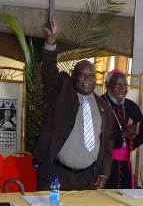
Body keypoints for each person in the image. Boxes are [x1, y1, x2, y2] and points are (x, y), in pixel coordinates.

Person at [33, 21, 114, 191]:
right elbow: (49, 71)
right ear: (72, 76)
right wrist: (50, 43)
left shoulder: (103, 107)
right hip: (56, 175)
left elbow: (107, 144)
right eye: (82, 75)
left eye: (91, 75)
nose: (87, 78)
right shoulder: (61, 92)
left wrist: (103, 173)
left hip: (87, 179)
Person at [101, 69, 143, 189]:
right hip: (103, 166)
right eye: (118, 84)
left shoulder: (131, 106)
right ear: (107, 86)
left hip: (125, 164)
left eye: (125, 85)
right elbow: (96, 137)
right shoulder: (99, 104)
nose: (123, 88)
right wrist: (122, 135)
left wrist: (131, 140)